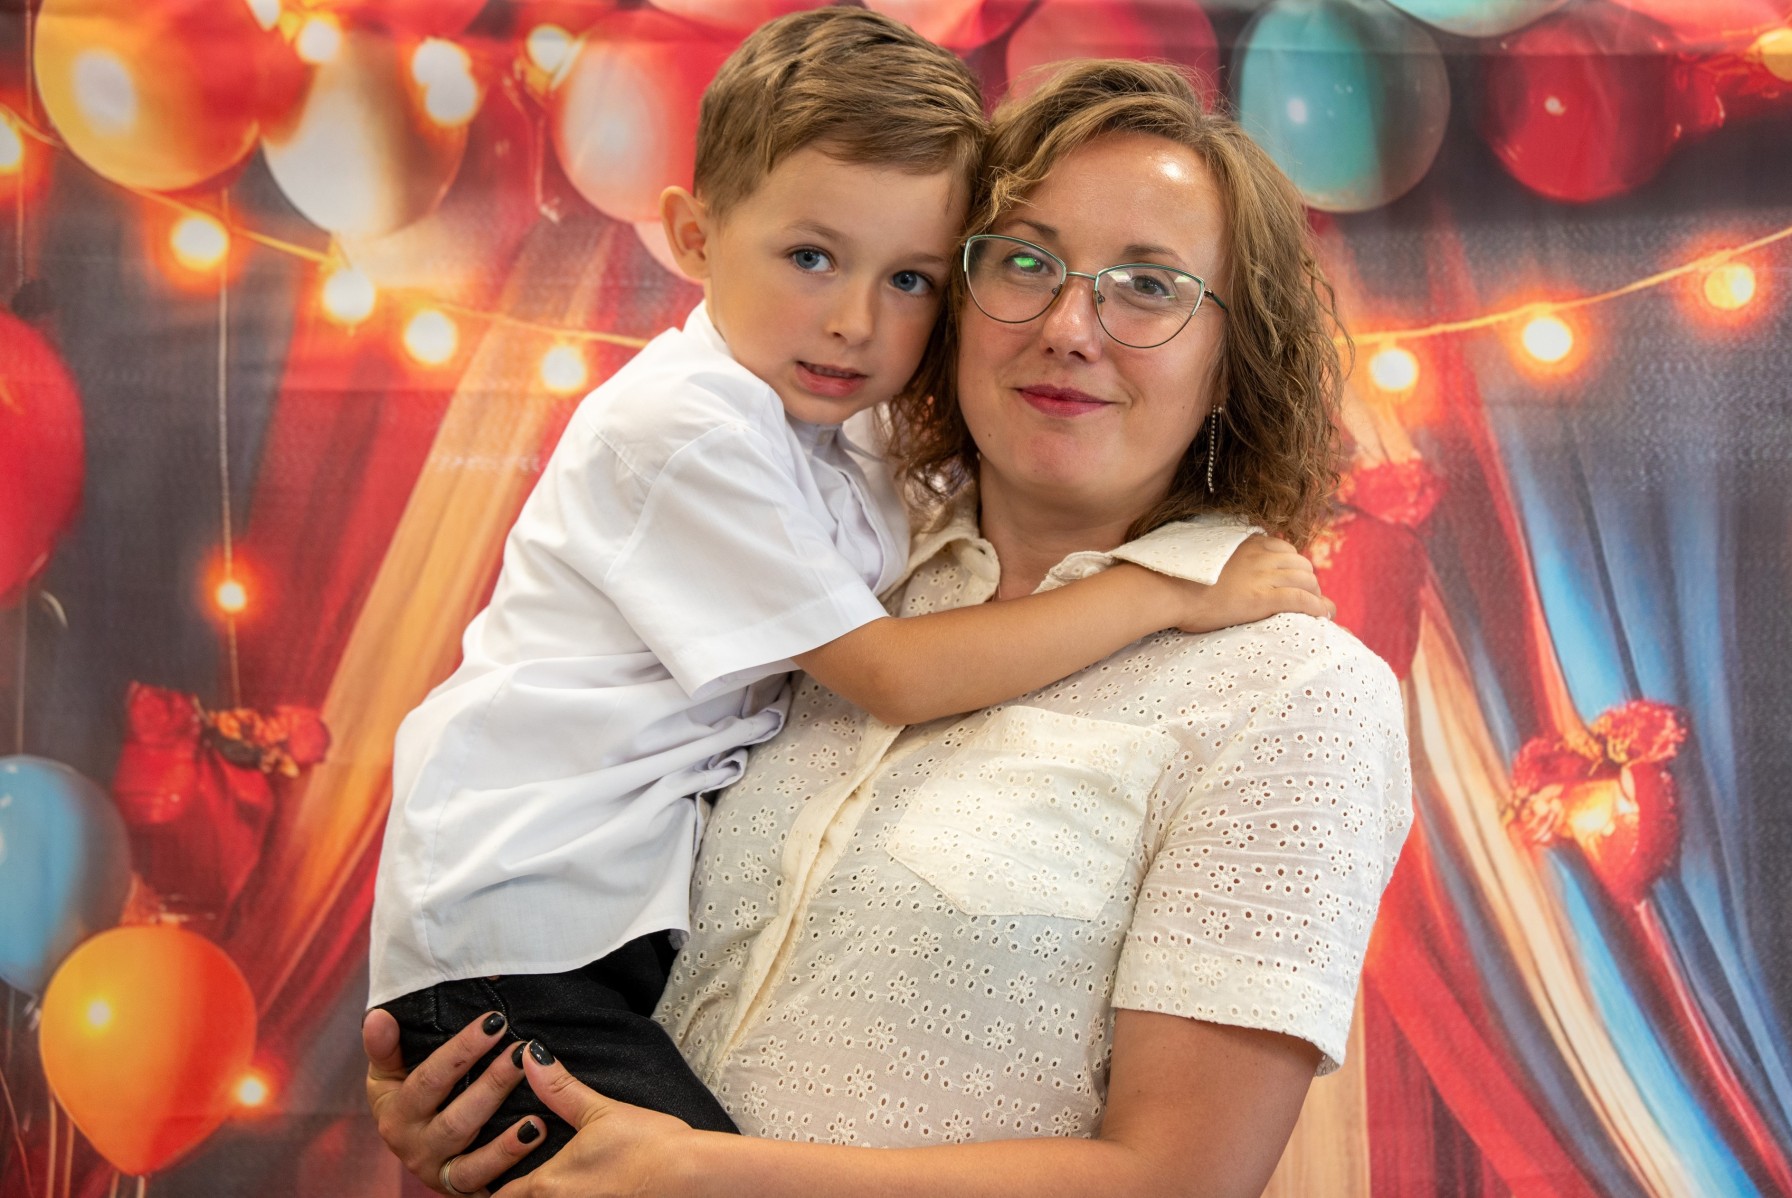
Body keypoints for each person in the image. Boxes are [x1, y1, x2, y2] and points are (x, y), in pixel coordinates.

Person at [364, 58, 1410, 1198]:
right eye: (1025, 262)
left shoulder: (1290, 690)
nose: (1070, 325)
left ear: (1233, 358)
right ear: (960, 301)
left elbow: (1180, 1182)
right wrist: (483, 1117)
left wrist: (704, 1176)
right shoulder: (841, 565)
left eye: (1149, 287)